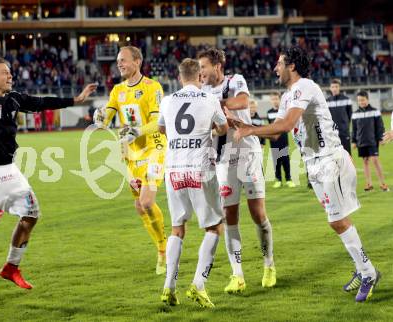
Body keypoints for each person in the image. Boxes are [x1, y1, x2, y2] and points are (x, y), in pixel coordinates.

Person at [226, 46, 380, 303]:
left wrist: (251, 131)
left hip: (329, 160)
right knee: (336, 220)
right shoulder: (287, 97)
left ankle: (368, 272)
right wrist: (246, 125)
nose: (275, 68)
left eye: (279, 63)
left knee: (337, 220)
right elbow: (277, 132)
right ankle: (362, 267)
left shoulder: (306, 86)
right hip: (314, 165)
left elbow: (286, 125)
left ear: (292, 66)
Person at [0, 57, 97, 306]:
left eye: (10, 72)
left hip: (11, 172)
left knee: (32, 214)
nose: (10, 76)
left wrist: (75, 100)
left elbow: (42, 102)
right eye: (5, 73)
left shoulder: (13, 98)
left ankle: (11, 268)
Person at [199, 48, 276, 294]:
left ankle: (268, 265)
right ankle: (237, 274)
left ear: (217, 66)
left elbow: (242, 101)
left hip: (248, 154)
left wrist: (216, 104)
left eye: (204, 67)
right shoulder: (202, 92)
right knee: (228, 214)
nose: (201, 72)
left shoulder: (235, 80)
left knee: (258, 213)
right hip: (223, 160)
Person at [158, 58, 229, 308]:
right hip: (200, 169)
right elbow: (223, 127)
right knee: (213, 228)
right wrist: (208, 131)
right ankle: (198, 285)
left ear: (179, 78)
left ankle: (169, 286)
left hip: (173, 170)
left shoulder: (167, 100)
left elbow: (162, 129)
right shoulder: (209, 99)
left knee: (177, 228)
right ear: (200, 76)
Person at [93, 46, 168, 275]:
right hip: (131, 154)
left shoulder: (152, 87)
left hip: (154, 149)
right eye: (118, 61)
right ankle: (161, 247)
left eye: (123, 60)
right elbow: (105, 122)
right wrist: (99, 116)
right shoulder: (117, 91)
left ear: (137, 61)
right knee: (139, 206)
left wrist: (136, 131)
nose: (119, 64)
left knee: (146, 201)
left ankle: (165, 250)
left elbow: (158, 122)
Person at [352, 91, 389, 191]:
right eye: (359, 100)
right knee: (365, 161)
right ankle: (369, 184)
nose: (361, 102)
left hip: (372, 141)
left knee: (375, 160)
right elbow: (354, 129)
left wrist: (381, 138)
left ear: (367, 99)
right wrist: (354, 141)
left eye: (363, 100)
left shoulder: (375, 111)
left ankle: (383, 183)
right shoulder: (355, 114)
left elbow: (380, 126)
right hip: (361, 142)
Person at [267, 92, 295, 188]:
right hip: (273, 141)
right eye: (273, 99)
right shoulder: (269, 112)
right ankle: (278, 179)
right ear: (271, 101)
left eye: (276, 99)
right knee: (276, 161)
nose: (275, 101)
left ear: (280, 100)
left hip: (283, 138)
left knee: (285, 160)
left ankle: (288, 179)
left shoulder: (284, 111)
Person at [327, 79, 353, 154]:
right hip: (332, 134)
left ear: (339, 88)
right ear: (330, 88)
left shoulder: (347, 100)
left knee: (347, 155)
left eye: (336, 86)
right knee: (334, 155)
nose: (334, 89)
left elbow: (349, 115)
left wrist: (345, 126)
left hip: (344, 133)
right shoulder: (327, 101)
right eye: (333, 87)